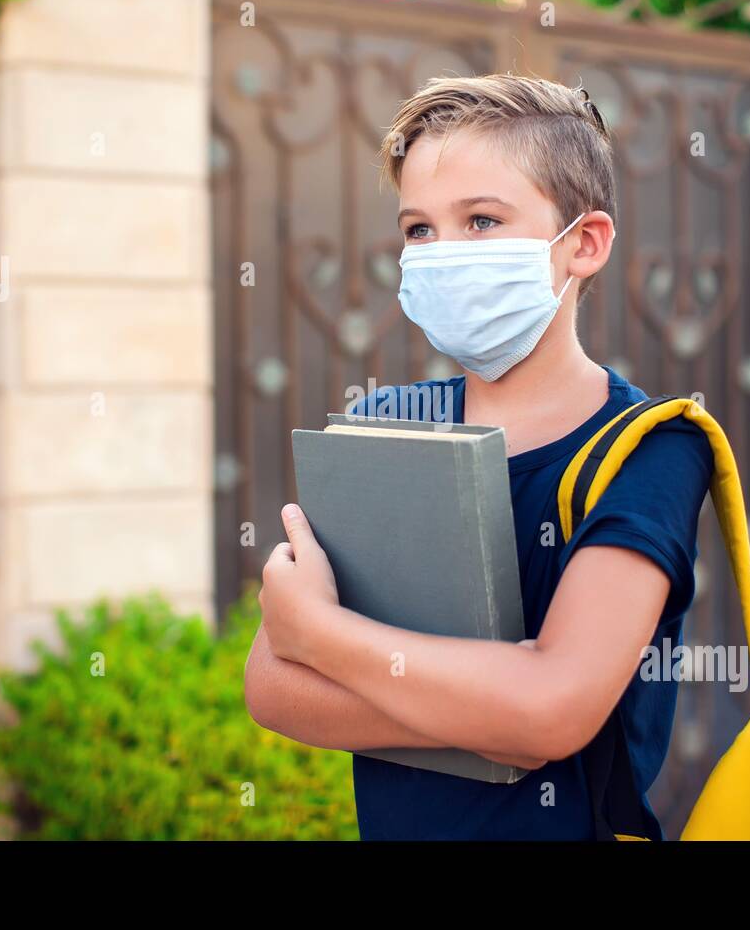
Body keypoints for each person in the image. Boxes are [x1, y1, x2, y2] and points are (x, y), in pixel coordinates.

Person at [244, 74, 713, 840]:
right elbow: (272, 688)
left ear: (584, 244)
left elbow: (552, 710)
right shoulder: (383, 424)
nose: (441, 253)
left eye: (483, 220)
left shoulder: (651, 448)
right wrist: (501, 711)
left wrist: (323, 638)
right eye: (419, 229)